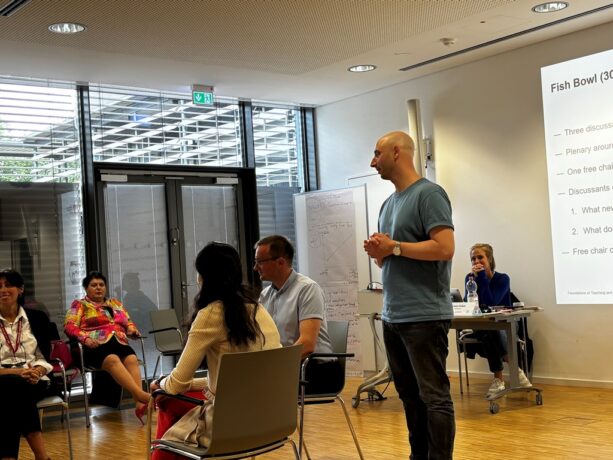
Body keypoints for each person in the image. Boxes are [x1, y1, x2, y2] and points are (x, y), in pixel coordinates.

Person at [363, 131, 455, 460]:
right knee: (409, 397)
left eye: (377, 153)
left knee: (434, 397)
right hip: (393, 316)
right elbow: (389, 259)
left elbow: (444, 248)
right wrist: (379, 252)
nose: (372, 162)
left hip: (424, 316)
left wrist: (395, 247)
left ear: (397, 152)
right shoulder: (388, 204)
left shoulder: (429, 194)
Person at [149, 242, 281, 457]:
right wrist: (192, 384)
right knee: (173, 402)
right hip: (271, 419)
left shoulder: (211, 314)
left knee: (164, 398)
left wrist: (159, 383)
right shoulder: (258, 310)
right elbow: (235, 379)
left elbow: (176, 384)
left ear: (204, 277)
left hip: (229, 424)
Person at [254, 234, 342, 394]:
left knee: (257, 390)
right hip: (288, 366)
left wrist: (273, 366)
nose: (255, 267)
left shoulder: (307, 289)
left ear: (280, 262)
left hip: (317, 368)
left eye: (260, 262)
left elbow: (307, 345)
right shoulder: (265, 295)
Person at [64, 271, 150, 423]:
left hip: (118, 341)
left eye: (101, 285)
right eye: (94, 285)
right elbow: (69, 326)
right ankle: (141, 395)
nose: (98, 288)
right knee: (112, 359)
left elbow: (128, 321)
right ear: (86, 288)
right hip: (94, 346)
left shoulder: (115, 303)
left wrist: (131, 329)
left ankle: (139, 404)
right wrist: (85, 338)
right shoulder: (80, 305)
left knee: (131, 358)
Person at [463, 243, 532, 397]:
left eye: (480, 257)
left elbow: (491, 303)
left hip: (506, 324)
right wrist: (476, 280)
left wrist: (482, 277)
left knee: (490, 331)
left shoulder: (502, 279)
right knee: (488, 330)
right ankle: (514, 367)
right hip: (483, 325)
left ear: (489, 259)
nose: (476, 261)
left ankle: (498, 379)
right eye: (473, 259)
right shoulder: (469, 279)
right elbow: (468, 303)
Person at [0, 269, 53, 460]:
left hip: (34, 379)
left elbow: (44, 357)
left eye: (8, 285)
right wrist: (18, 372)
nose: (3, 290)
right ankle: (42, 456)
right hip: (3, 378)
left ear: (20, 289)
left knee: (10, 397)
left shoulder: (37, 318)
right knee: (14, 388)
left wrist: (38, 370)